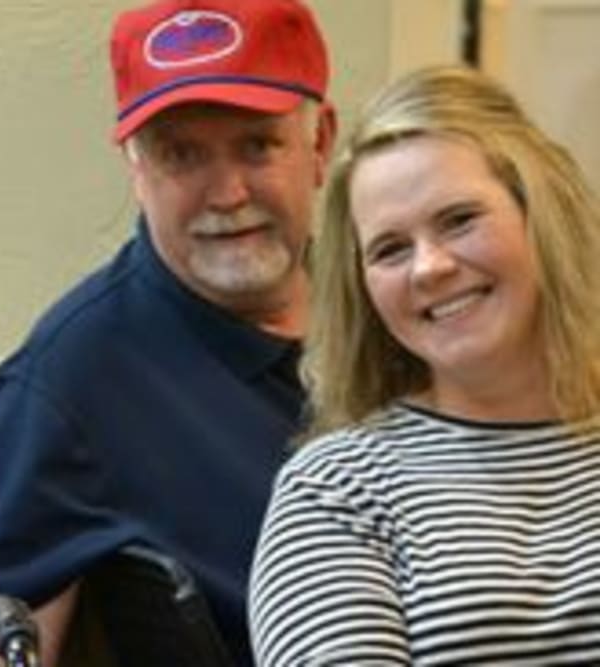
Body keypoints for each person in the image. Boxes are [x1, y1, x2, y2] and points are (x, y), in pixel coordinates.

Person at [0, 0, 336, 664]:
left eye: (257, 145)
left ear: (321, 142)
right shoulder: (61, 392)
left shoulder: (402, 309)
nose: (227, 193)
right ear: (136, 167)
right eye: (182, 155)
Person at [248, 64, 600, 665]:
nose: (429, 267)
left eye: (459, 220)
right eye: (390, 249)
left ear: (539, 214)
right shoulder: (337, 491)